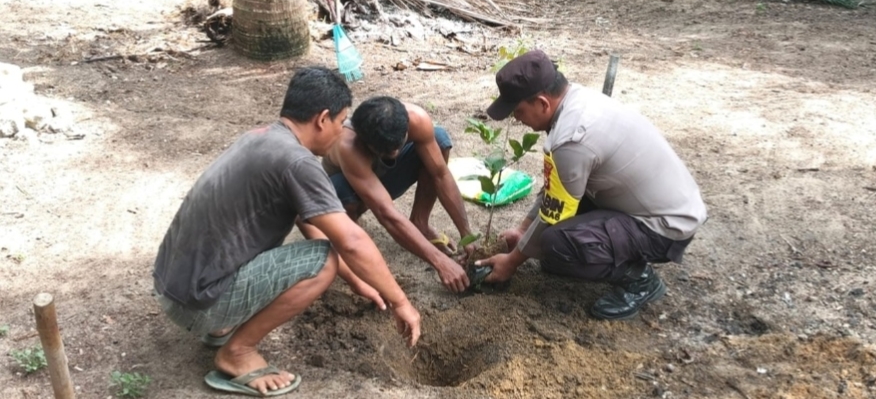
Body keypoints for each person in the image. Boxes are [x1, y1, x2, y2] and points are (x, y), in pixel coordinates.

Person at [152, 66, 421, 397]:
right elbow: (350, 241)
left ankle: (223, 321)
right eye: (340, 123)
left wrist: (357, 280)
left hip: (174, 287)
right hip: (196, 303)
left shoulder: (261, 137)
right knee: (323, 262)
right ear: (322, 119)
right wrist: (400, 301)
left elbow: (309, 221)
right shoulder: (298, 163)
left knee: (316, 252)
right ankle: (237, 353)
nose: (341, 133)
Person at [475, 50, 707, 320]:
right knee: (548, 244)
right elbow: (556, 188)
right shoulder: (578, 99)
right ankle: (596, 254)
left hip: (665, 227)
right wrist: (522, 231)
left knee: (556, 243)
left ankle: (640, 280)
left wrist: (512, 262)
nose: (517, 120)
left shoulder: (572, 138)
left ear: (542, 103)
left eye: (519, 112)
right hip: (659, 204)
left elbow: (554, 212)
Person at [316, 96, 475, 293]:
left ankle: (420, 223)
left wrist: (467, 236)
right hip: (350, 192)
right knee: (338, 189)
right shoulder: (348, 146)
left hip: (385, 178)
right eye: (385, 150)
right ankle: (352, 242)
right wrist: (440, 261)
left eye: (398, 146)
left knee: (439, 138)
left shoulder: (417, 118)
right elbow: (386, 213)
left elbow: (441, 175)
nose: (395, 152)